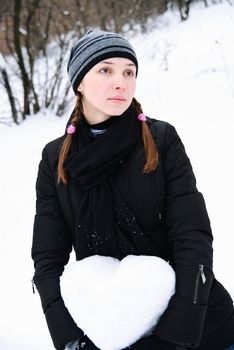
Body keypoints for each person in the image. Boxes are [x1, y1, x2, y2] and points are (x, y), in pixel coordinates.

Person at [31, 30, 234, 350]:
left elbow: (192, 238)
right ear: (79, 83)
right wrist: (69, 337)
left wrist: (176, 332)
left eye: (129, 72)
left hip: (198, 330)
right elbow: (47, 260)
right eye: (106, 70)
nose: (120, 82)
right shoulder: (55, 159)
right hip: (109, 330)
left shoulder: (161, 139)